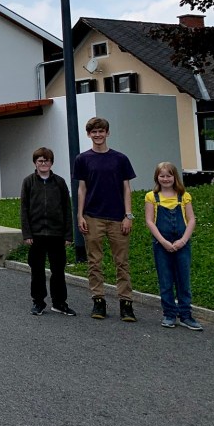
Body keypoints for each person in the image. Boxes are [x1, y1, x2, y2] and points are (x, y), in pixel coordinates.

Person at [73, 117, 137, 321]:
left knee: (122, 262)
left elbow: (127, 188)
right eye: (94, 132)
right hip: (93, 217)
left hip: (118, 218)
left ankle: (126, 303)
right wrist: (80, 215)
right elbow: (82, 189)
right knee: (94, 262)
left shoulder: (120, 159)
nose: (98, 135)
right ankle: (98, 301)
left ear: (107, 133)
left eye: (101, 131)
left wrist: (128, 215)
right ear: (88, 134)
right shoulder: (83, 159)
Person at [144, 162, 203, 331]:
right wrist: (163, 241)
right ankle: (169, 314)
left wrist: (183, 240)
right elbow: (149, 221)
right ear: (157, 178)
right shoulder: (151, 197)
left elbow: (191, 220)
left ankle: (186, 315)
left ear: (174, 177)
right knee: (165, 280)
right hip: (161, 244)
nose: (165, 179)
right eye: (162, 176)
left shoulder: (183, 196)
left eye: (169, 175)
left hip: (182, 244)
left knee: (183, 280)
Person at [20, 147, 76, 316]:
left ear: (52, 163)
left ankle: (59, 303)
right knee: (37, 270)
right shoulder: (28, 182)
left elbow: (67, 209)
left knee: (58, 271)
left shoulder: (59, 182)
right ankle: (38, 302)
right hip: (36, 234)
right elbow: (24, 209)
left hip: (56, 234)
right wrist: (27, 233)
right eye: (40, 161)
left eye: (47, 160)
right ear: (35, 163)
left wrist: (68, 234)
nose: (44, 163)